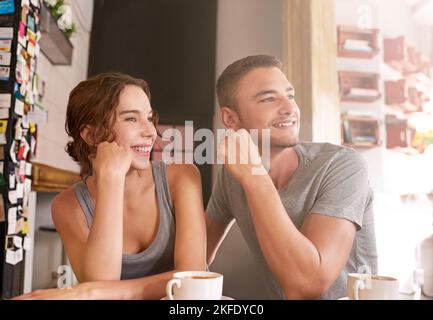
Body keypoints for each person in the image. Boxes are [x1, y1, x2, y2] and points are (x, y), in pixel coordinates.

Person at [16, 72, 206, 299]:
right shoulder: (67, 206)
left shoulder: (182, 177)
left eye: (149, 117)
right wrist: (111, 181)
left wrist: (91, 292)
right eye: (131, 119)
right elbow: (101, 286)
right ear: (91, 135)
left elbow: (194, 282)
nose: (151, 132)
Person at [205, 55, 378, 300]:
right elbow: (194, 257)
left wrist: (255, 176)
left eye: (290, 95)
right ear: (230, 119)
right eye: (268, 99)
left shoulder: (342, 165)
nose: (290, 108)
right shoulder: (233, 175)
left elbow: (307, 284)